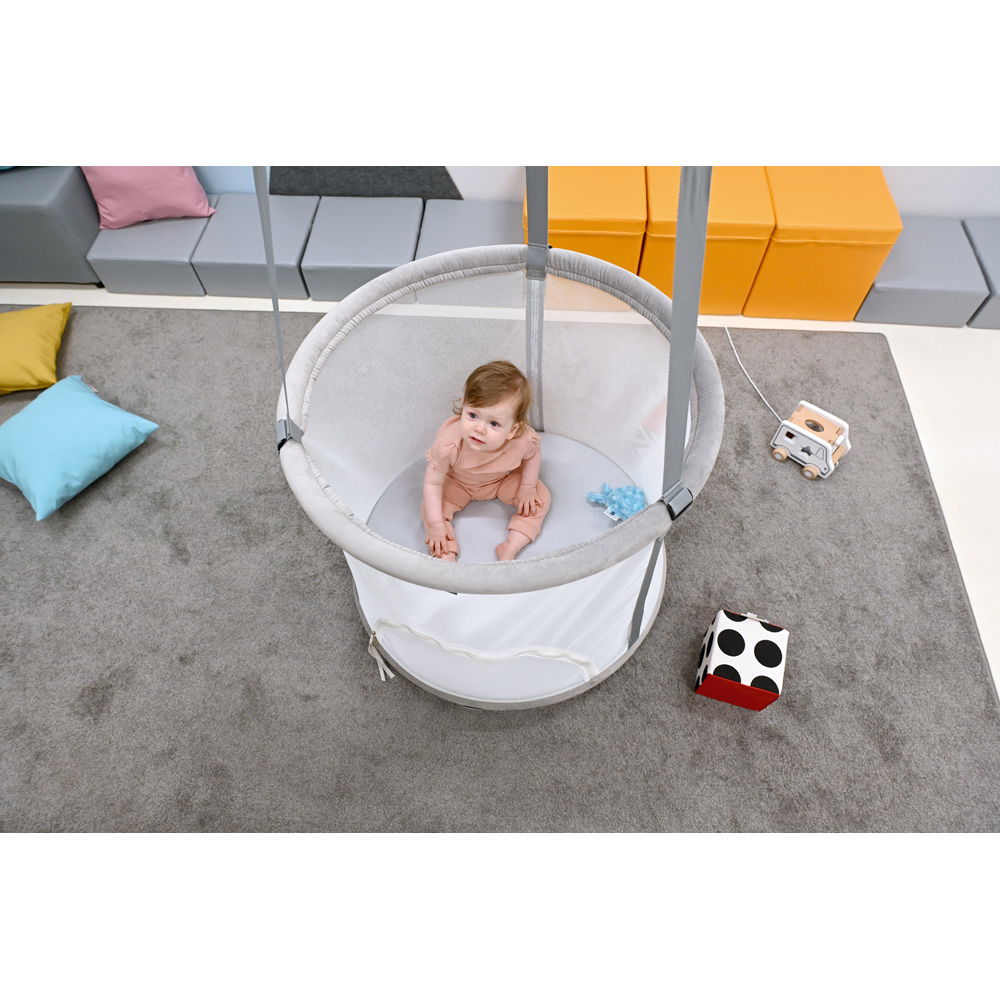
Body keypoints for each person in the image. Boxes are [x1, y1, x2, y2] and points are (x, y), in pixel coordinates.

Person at [422, 360, 550, 562]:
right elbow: (433, 483)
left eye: (494, 423)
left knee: (539, 498)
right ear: (464, 405)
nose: (479, 429)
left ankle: (511, 546)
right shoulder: (449, 443)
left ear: (512, 430)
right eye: (473, 415)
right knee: (432, 511)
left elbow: (533, 455)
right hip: (458, 483)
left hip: (501, 481)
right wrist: (435, 524)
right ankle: (446, 553)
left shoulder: (521, 440)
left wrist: (527, 487)